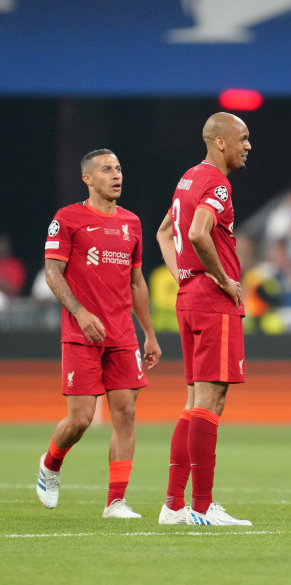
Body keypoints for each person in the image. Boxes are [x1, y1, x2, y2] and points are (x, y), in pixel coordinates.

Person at [36, 149, 162, 518]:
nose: (116, 175)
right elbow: (52, 272)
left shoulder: (132, 223)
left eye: (119, 168)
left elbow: (137, 282)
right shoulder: (67, 218)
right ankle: (51, 464)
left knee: (125, 414)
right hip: (81, 332)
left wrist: (149, 334)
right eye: (107, 169)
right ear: (87, 179)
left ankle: (116, 502)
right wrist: (79, 311)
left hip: (122, 334)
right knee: (80, 419)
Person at [155, 112, 252, 526]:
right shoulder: (217, 182)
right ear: (220, 142)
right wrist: (221, 277)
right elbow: (197, 232)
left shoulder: (187, 178)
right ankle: (202, 507)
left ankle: (173, 505)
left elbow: (164, 232)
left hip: (189, 296)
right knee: (212, 401)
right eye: (243, 139)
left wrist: (184, 274)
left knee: (194, 400)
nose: (248, 146)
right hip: (213, 300)